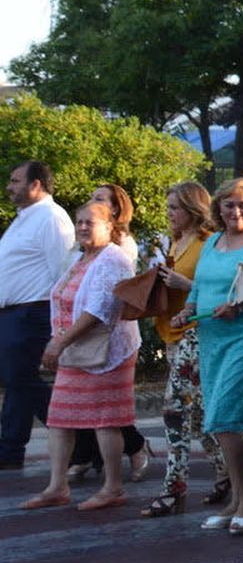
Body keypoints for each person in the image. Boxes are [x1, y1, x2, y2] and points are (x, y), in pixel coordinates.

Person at [170, 177, 243, 533]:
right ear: (218, 208)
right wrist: (187, 310)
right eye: (229, 204)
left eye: (242, 204)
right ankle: (236, 498)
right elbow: (200, 286)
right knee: (217, 420)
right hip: (211, 338)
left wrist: (241, 308)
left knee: (226, 415)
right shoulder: (214, 240)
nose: (235, 211)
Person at [21, 202, 139, 511]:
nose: (83, 227)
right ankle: (57, 486)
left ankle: (113, 487)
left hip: (107, 351)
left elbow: (99, 311)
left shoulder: (114, 259)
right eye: (80, 222)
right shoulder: (79, 257)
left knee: (106, 420)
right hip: (77, 349)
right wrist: (59, 340)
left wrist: (59, 343)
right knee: (59, 418)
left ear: (110, 226)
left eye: (91, 222)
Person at [141, 181, 228, 517]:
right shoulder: (174, 243)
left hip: (198, 332)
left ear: (193, 209)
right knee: (200, 418)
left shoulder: (210, 243)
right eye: (168, 207)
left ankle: (174, 488)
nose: (169, 214)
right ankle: (227, 474)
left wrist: (184, 284)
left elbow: (219, 292)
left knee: (174, 410)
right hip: (173, 334)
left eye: (175, 207)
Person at [67, 183, 150, 481]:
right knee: (90, 403)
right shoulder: (84, 248)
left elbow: (106, 299)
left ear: (114, 210)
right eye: (91, 197)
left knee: (105, 406)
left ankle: (135, 448)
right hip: (84, 338)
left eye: (100, 200)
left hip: (111, 337)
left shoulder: (120, 248)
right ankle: (87, 456)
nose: (93, 202)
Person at [0, 161, 75, 470]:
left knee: (22, 379)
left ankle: (82, 443)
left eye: (16, 181)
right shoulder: (25, 218)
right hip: (14, 314)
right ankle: (12, 449)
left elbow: (64, 272)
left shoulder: (52, 218)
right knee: (18, 380)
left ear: (36, 185)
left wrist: (60, 327)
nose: (9, 186)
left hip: (33, 313)